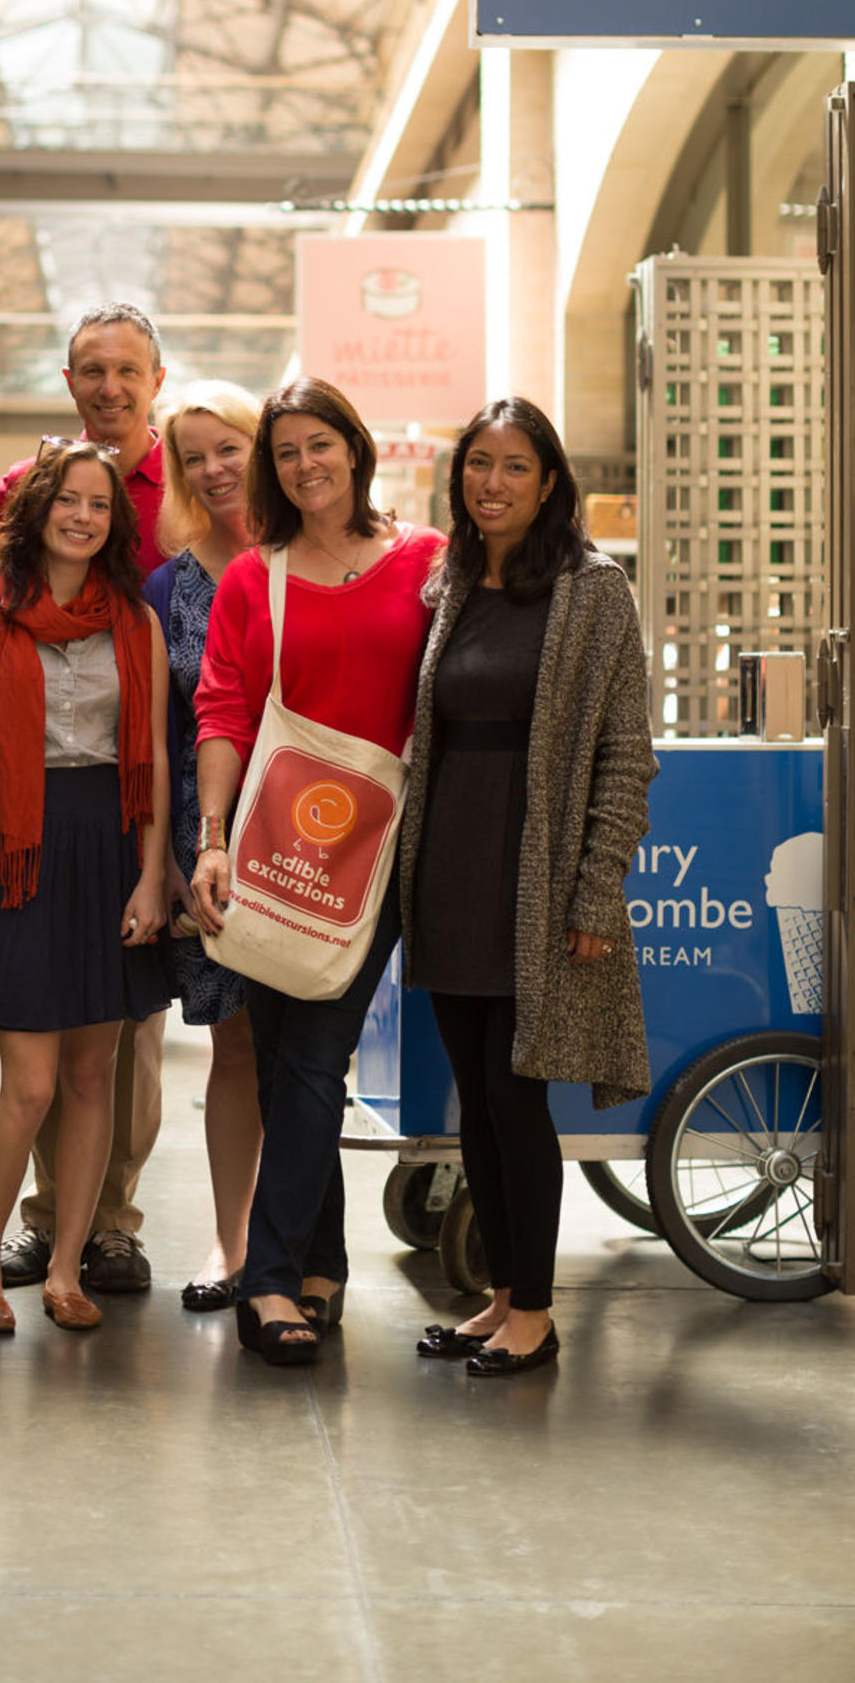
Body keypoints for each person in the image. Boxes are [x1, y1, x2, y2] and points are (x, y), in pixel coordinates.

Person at [399, 398, 654, 1377]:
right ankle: (500, 1297)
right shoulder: (451, 579)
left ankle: (538, 1313)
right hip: (454, 867)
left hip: (535, 875)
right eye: (478, 464)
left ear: (550, 482)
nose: (491, 482)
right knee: (475, 1096)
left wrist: (595, 893)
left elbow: (627, 755)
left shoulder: (594, 591)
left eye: (513, 466)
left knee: (515, 1098)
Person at [191, 378, 443, 1365]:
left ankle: (268, 1278)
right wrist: (211, 839)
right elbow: (224, 708)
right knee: (292, 1049)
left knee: (311, 1054)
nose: (306, 465)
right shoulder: (257, 576)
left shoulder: (429, 562)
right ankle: (320, 1261)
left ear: (354, 446)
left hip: (375, 852)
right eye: (287, 452)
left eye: (320, 444)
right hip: (272, 850)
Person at [0, 442, 172, 1334]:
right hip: (16, 851)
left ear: (116, 520)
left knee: (89, 1078)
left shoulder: (134, 621)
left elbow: (148, 758)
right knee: (25, 1086)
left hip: (108, 847)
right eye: (66, 499)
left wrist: (152, 876)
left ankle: (68, 1268)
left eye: (99, 504)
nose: (82, 515)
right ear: (37, 509)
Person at [0, 303, 169, 1294]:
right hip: (27, 817)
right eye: (91, 367)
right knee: (42, 1054)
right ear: (69, 378)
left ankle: (110, 1223)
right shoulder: (24, 484)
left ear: (155, 379)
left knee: (125, 1053)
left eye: (126, 368)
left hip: (128, 802)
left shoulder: (184, 486)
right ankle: (50, 1221)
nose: (109, 385)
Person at [143, 383, 263, 1311]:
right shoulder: (170, 586)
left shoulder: (320, 562)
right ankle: (236, 1246)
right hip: (209, 850)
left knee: (306, 1056)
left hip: (320, 843)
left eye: (229, 447)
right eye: (194, 456)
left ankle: (300, 1250)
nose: (214, 468)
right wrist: (174, 859)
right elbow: (156, 743)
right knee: (236, 1051)